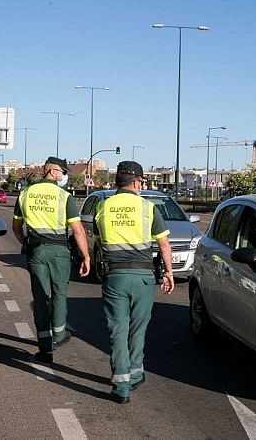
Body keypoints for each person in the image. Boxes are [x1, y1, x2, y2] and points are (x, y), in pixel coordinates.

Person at [93, 161, 174, 404]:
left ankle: (121, 386)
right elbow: (164, 245)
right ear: (137, 182)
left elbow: (99, 242)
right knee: (138, 328)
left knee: (117, 329)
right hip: (143, 278)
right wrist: (169, 273)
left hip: (114, 277)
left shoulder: (103, 207)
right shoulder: (148, 208)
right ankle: (136, 374)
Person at [12, 157, 91, 364]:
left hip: (36, 250)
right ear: (53, 171)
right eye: (63, 172)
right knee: (59, 293)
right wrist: (86, 256)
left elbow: (16, 227)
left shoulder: (26, 194)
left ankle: (45, 348)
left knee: (40, 297)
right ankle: (59, 334)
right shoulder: (64, 197)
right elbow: (77, 230)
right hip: (59, 252)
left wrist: (26, 243)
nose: (64, 176)